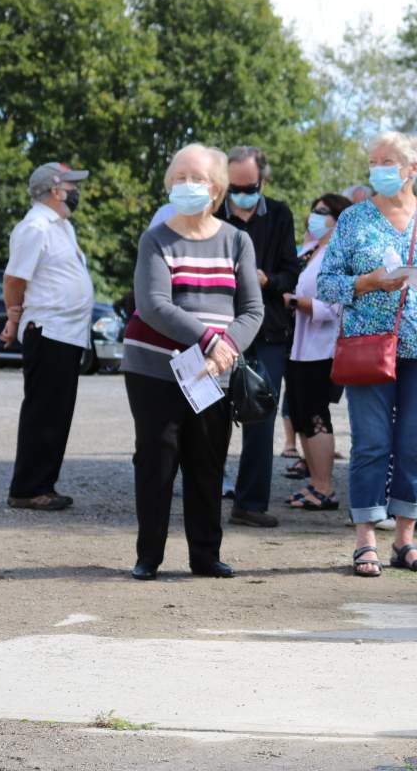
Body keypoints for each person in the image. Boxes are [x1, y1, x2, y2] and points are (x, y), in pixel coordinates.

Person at [317, 130, 417, 577]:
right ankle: (365, 538)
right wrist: (367, 282)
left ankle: (404, 540)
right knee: (372, 443)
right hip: (368, 349)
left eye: (387, 161)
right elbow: (327, 284)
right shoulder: (353, 221)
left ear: (413, 168)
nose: (378, 169)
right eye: (373, 162)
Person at [121, 143, 263, 581]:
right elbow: (153, 304)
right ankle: (149, 557)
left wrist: (226, 349)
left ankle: (205, 555)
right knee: (156, 459)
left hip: (214, 372)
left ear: (216, 188)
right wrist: (208, 339)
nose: (186, 185)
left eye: (196, 178)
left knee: (207, 461)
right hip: (155, 367)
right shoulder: (156, 238)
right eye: (179, 177)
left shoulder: (237, 240)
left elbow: (253, 311)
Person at [2, 162, 94, 511]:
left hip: (66, 334)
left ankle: (44, 484)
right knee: (43, 413)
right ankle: (27, 488)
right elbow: (13, 279)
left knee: (57, 414)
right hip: (48, 331)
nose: (76, 191)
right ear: (55, 190)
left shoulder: (61, 227)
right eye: (72, 185)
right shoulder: (34, 227)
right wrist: (13, 317)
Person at [218, 146, 300, 529]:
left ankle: (250, 504)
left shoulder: (280, 215)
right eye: (232, 187)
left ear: (262, 181)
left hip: (267, 331)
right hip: (216, 330)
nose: (240, 194)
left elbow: (291, 273)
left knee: (261, 417)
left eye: (247, 187)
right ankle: (205, 497)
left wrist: (267, 280)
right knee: (209, 416)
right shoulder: (212, 213)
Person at [284, 193, 351, 510]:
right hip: (299, 345)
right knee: (299, 415)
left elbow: (335, 306)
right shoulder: (311, 250)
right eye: (313, 209)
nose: (314, 215)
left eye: (322, 212)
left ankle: (325, 487)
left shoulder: (339, 255)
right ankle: (313, 483)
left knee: (316, 415)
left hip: (322, 347)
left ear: (339, 220)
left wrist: (296, 302)